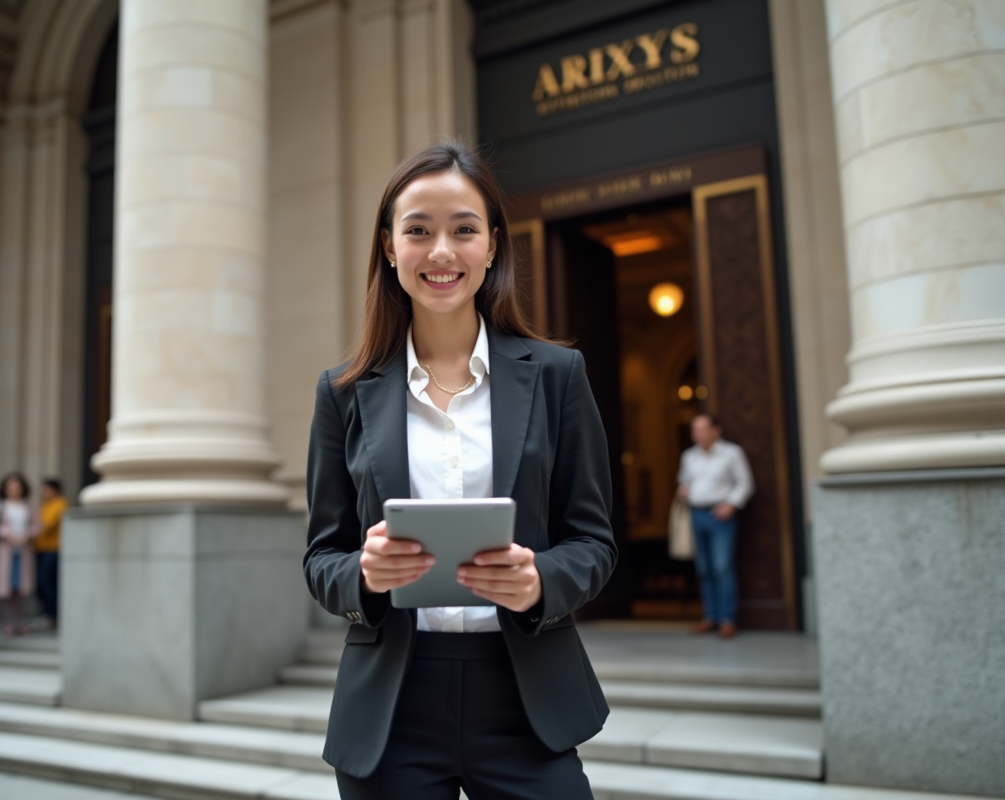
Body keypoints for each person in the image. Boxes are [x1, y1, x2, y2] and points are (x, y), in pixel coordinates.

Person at [304, 141, 617, 800]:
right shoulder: (342, 393)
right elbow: (320, 558)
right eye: (417, 230)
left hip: (526, 699)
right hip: (392, 707)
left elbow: (593, 542)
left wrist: (540, 578)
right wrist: (362, 574)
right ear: (390, 248)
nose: (441, 251)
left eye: (463, 230)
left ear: (493, 245)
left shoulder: (558, 376)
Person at [676, 414, 754, 639]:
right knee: (704, 569)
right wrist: (683, 490)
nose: (697, 434)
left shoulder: (732, 453)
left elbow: (745, 483)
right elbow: (684, 481)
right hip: (696, 514)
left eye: (701, 429)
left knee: (722, 567)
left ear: (715, 431)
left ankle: (727, 619)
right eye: (694, 430)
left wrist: (732, 504)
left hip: (719, 516)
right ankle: (710, 617)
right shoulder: (689, 456)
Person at [0, 473, 40, 637]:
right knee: (5, 589)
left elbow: (37, 526)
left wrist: (27, 535)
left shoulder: (28, 507)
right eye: (10, 486)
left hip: (23, 551)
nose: (14, 489)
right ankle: (7, 623)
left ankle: (19, 622)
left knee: (20, 589)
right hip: (5, 551)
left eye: (17, 486)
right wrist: (7, 533)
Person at [34, 478, 67, 629]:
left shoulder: (60, 504)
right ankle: (47, 613)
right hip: (40, 549)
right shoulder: (45, 506)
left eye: (46, 489)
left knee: (47, 582)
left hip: (53, 550)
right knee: (42, 583)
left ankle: (53, 615)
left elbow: (47, 525)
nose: (44, 493)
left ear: (54, 490)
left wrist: (29, 532)